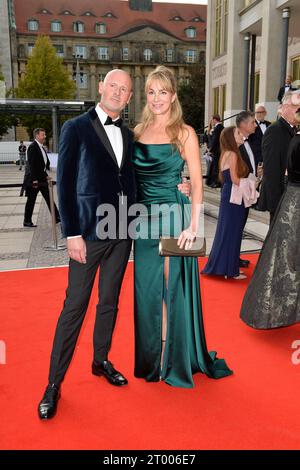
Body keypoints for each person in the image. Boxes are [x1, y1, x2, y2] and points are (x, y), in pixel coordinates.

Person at [37, 69, 189, 419]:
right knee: (75, 306)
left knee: (109, 302)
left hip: (122, 231)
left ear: (130, 96)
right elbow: (67, 181)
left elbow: (145, 176)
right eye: (114, 86)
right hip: (88, 235)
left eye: (126, 89)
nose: (119, 92)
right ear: (101, 87)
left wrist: (180, 187)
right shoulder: (75, 128)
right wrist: (71, 233)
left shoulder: (129, 133)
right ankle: (53, 384)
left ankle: (100, 359)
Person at [132, 66, 232, 388]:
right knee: (148, 289)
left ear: (173, 96)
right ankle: (153, 356)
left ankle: (173, 356)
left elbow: (198, 183)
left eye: (163, 92)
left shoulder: (185, 132)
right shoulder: (137, 132)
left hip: (174, 215)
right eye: (151, 92)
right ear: (146, 96)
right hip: (143, 220)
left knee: (170, 283)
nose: (157, 98)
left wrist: (194, 224)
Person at [240, 108, 300, 329]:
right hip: (292, 202)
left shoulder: (294, 137)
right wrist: (275, 202)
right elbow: (277, 171)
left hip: (291, 199)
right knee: (285, 257)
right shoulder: (282, 135)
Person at [202, 126, 250, 280]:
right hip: (234, 198)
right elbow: (236, 180)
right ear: (230, 137)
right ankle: (230, 270)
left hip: (228, 196)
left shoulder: (225, 154)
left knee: (226, 231)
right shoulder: (233, 155)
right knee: (232, 232)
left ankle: (227, 267)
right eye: (237, 133)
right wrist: (251, 183)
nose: (241, 135)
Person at [258, 90, 300, 224]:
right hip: (281, 199)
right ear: (286, 107)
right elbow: (272, 170)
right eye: (297, 108)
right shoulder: (275, 130)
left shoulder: (293, 130)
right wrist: (278, 204)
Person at [22, 128, 60, 227]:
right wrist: (34, 180)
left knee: (49, 198)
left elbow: (41, 165)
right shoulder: (33, 147)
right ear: (37, 135)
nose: (45, 137)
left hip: (41, 179)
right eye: (43, 135)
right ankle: (27, 221)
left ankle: (56, 217)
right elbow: (32, 165)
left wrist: (46, 176)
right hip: (34, 180)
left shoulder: (40, 147)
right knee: (31, 200)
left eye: (44, 135)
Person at [206, 114, 224, 188]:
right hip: (220, 150)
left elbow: (215, 140)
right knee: (217, 166)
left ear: (214, 120)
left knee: (216, 167)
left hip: (216, 151)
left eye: (212, 120)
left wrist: (210, 149)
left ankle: (216, 182)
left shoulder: (217, 128)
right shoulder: (222, 127)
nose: (212, 122)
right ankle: (217, 181)